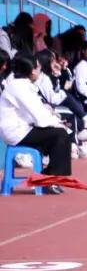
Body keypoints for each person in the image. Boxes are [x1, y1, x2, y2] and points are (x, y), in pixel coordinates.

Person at [0, 55, 71, 193]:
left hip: (24, 128)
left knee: (58, 132)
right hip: (16, 132)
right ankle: (51, 178)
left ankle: (49, 175)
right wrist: (56, 123)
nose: (40, 70)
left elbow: (39, 111)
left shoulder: (23, 85)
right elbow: (39, 116)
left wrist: (55, 121)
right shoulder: (18, 87)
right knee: (60, 134)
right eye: (38, 67)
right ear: (32, 70)